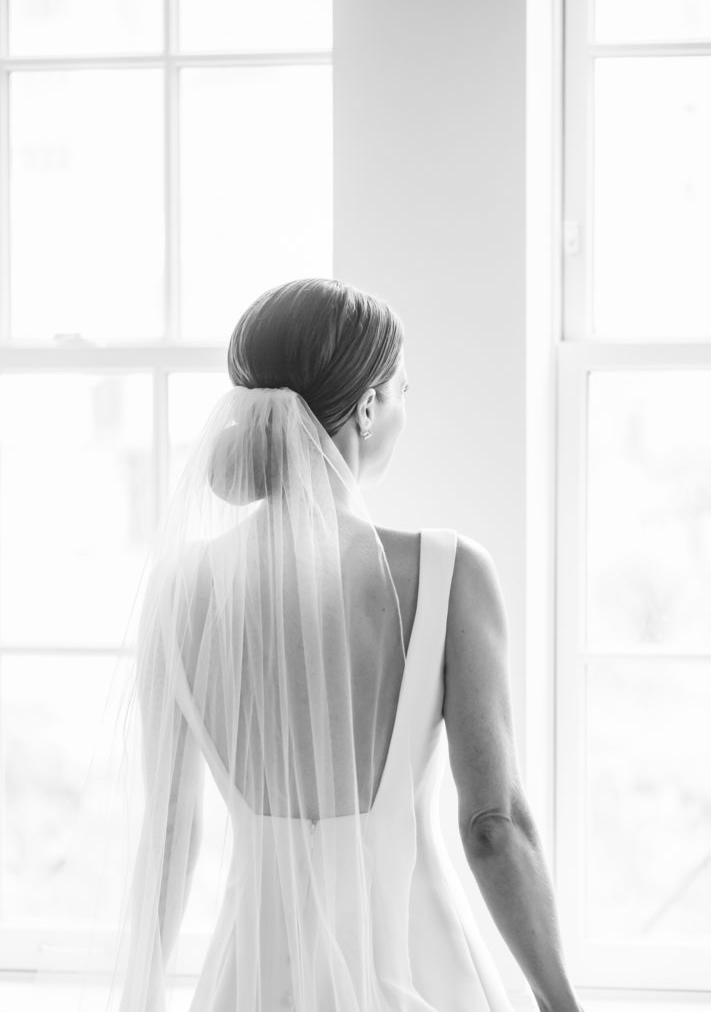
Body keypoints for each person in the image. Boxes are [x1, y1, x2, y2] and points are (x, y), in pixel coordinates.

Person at [113, 278, 581, 1011]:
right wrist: (561, 1001)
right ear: (367, 406)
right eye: (402, 389)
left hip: (252, 978)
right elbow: (492, 827)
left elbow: (171, 831)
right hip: (417, 969)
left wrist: (137, 996)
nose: (404, 409)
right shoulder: (446, 572)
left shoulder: (179, 589)